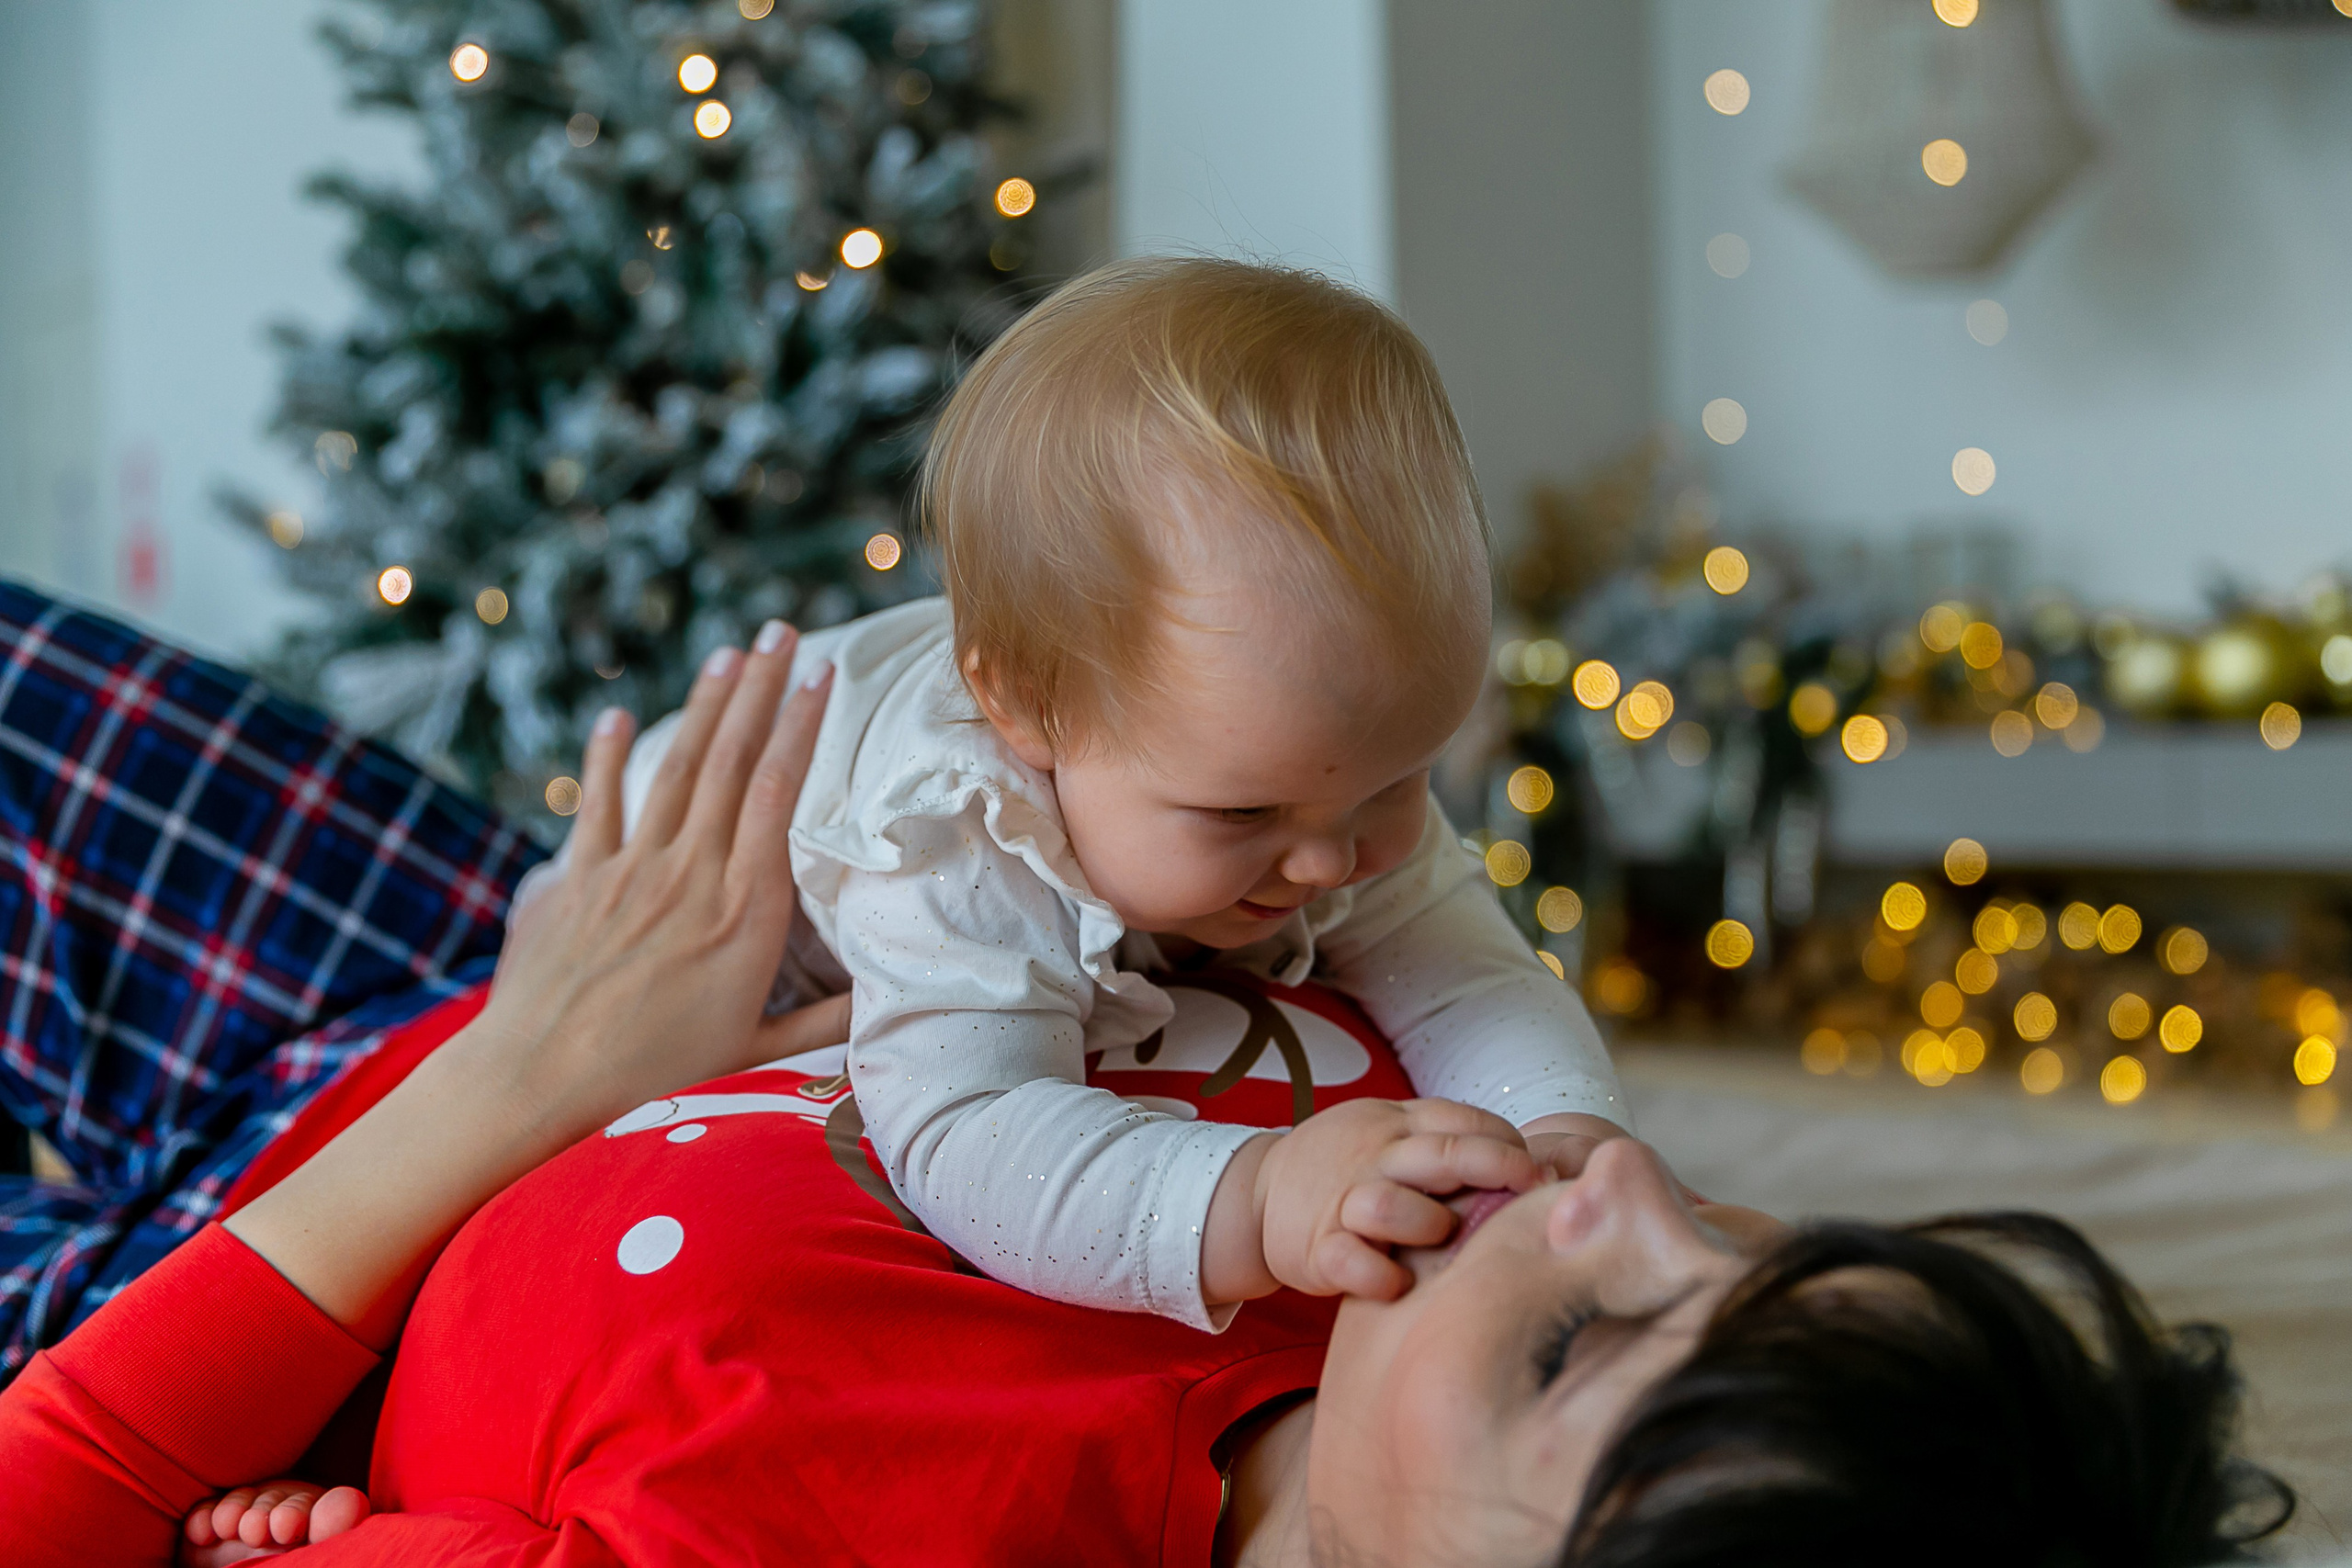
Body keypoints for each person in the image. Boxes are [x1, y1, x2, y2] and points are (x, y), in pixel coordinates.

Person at [0, 596, 2290, 1565]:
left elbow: (61, 1491)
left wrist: (532, 1067)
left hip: (230, 1257)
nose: (1602, 1187)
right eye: (1768, 1242)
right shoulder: (1404, 1189)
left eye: (1584, 1341)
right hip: (530, 953)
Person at [548, 257, 1629, 1335]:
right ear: (1029, 712)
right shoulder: (956, 833)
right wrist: (1256, 1196)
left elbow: (1466, 982)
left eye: (1401, 781)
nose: (1330, 863)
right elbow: (968, 1132)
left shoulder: (1315, 769)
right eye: (1242, 815)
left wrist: (1564, 1132)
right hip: (640, 922)